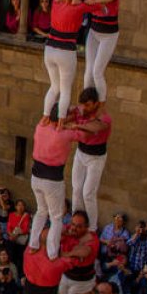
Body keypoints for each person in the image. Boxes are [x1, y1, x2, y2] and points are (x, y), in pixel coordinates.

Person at [27, 106, 79, 260]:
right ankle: (52, 252)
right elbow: (81, 135)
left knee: (41, 211)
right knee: (56, 217)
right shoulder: (65, 134)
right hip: (52, 180)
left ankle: (33, 244)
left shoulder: (40, 127)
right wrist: (74, 119)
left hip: (36, 177)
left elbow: (53, 122)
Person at [65, 88, 111, 228]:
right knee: (76, 189)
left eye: (88, 105)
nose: (85, 108)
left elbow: (94, 128)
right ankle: (76, 221)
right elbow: (65, 116)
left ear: (96, 103)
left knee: (88, 193)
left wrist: (76, 126)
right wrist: (67, 110)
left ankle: (92, 227)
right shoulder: (81, 110)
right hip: (81, 153)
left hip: (96, 158)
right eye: (84, 105)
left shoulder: (104, 118)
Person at [43, 0, 87, 120]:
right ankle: (61, 119)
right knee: (65, 90)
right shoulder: (79, 7)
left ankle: (45, 116)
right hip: (66, 52)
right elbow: (97, 7)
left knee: (54, 87)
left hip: (49, 49)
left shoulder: (56, 1)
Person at [81, 0, 119, 104]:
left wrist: (93, 2)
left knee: (97, 71)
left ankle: (101, 103)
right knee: (88, 71)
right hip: (94, 33)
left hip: (108, 36)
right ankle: (86, 102)